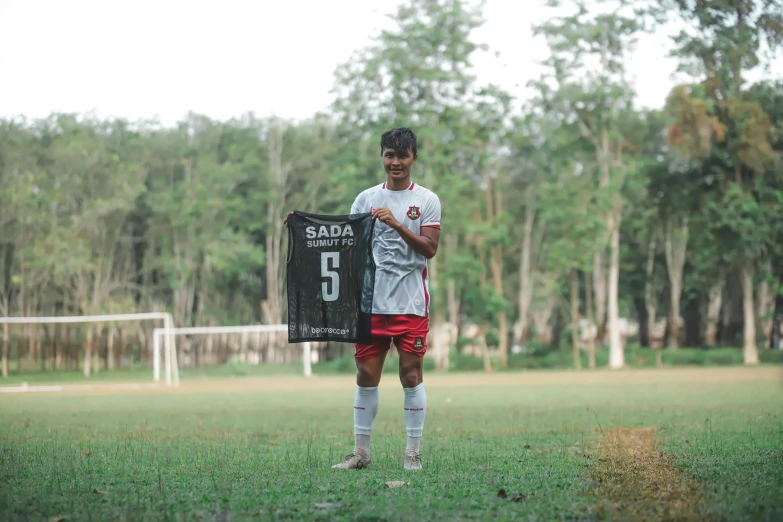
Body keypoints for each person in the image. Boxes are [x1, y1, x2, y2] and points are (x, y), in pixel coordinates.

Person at [286, 127, 441, 471]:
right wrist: (303, 227)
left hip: (410, 304)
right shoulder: (366, 198)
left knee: (411, 376)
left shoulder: (426, 200)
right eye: (389, 155)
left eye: (402, 155)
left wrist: (398, 224)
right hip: (370, 304)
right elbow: (342, 240)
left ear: (413, 158)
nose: (395, 162)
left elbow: (429, 249)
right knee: (365, 376)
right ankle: (361, 453)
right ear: (382, 157)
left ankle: (412, 454)